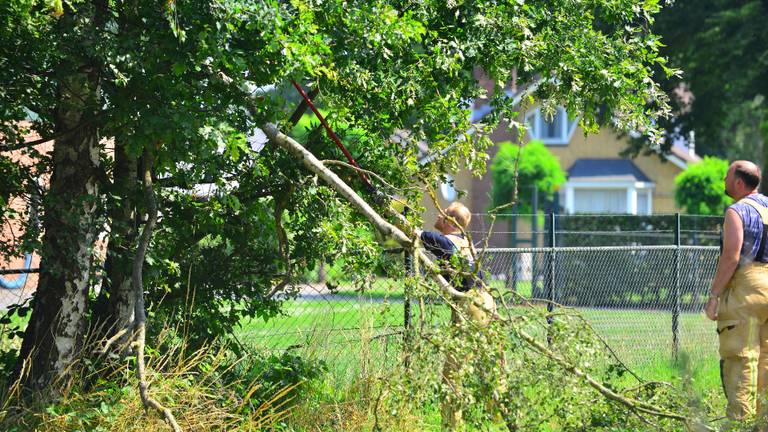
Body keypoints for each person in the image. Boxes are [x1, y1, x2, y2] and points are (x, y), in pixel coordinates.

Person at [416, 202, 497, 430]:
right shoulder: (467, 244)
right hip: (487, 301)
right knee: (491, 365)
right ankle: (500, 417)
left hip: (470, 307)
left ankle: (451, 426)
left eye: (442, 214)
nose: (438, 215)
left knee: (452, 374)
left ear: (450, 221)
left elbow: (411, 232)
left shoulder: (444, 241)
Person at [705, 160, 768, 421]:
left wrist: (714, 295)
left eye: (727, 177)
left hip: (746, 288)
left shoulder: (736, 211)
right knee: (765, 361)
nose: (724, 181)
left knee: (740, 359)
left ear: (739, 183)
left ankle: (740, 424)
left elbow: (731, 256)